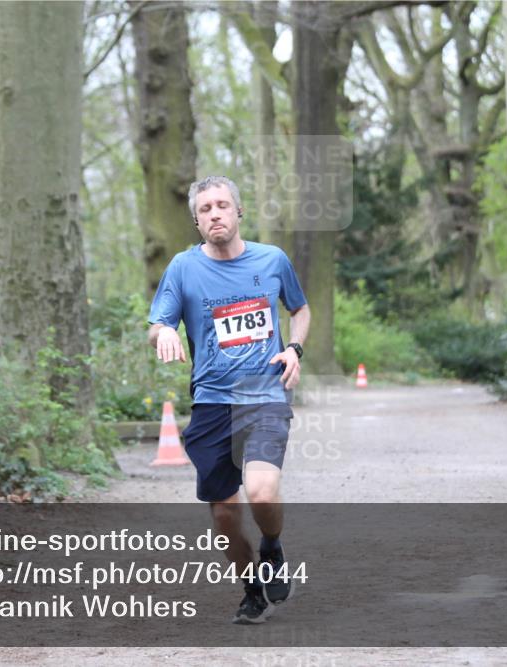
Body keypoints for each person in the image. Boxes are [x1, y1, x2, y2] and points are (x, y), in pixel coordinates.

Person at [147, 175, 310, 624]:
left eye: (222, 205)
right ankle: (252, 589)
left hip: (264, 393)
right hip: (211, 403)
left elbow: (300, 309)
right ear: (196, 221)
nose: (214, 213)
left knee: (260, 490)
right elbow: (157, 322)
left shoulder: (272, 260)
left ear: (238, 212)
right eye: (205, 209)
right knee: (224, 516)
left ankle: (272, 548)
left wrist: (294, 348)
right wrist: (163, 333)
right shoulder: (183, 268)